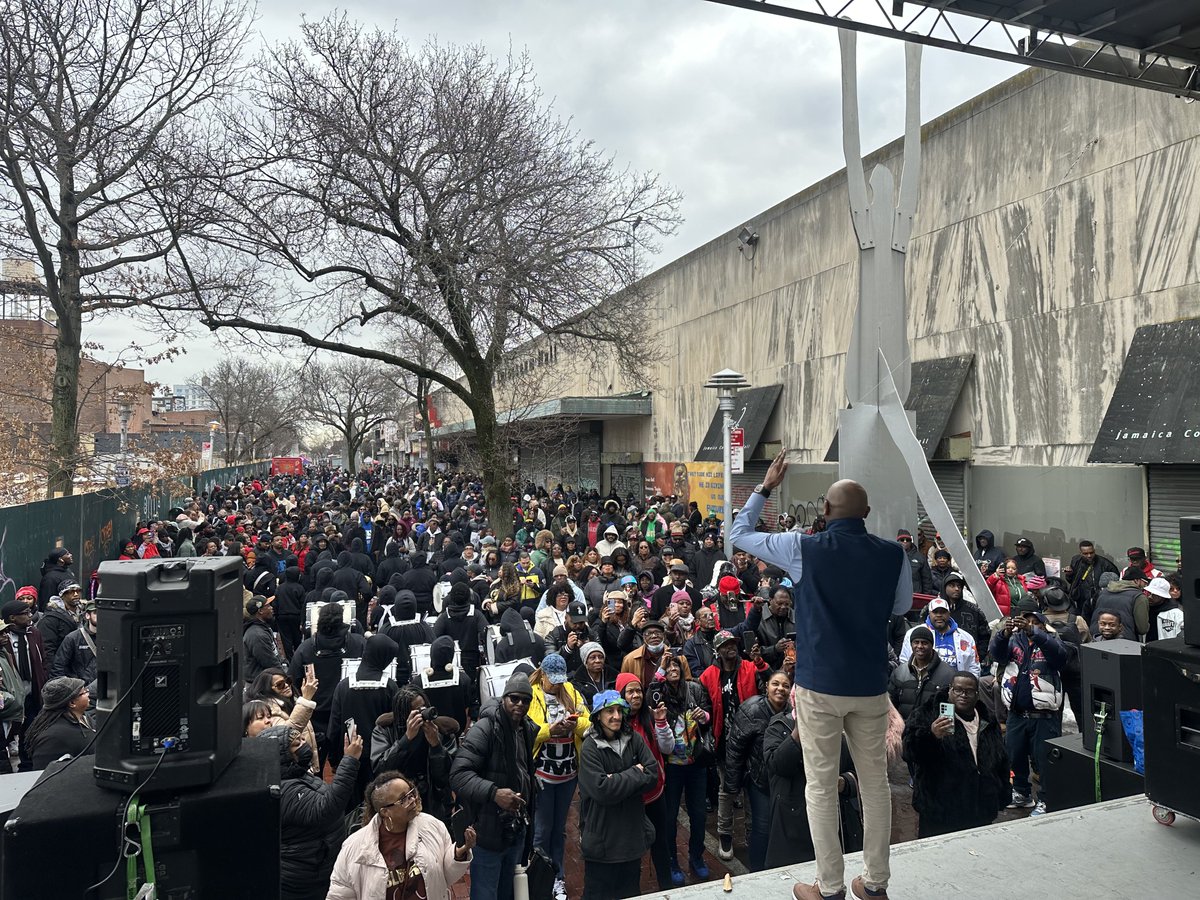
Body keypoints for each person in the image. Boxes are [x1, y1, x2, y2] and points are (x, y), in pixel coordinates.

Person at [729, 457, 911, 900]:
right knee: (874, 785)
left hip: (818, 686)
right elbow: (901, 607)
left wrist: (766, 488)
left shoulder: (801, 547)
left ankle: (829, 888)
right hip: (869, 686)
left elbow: (737, 535)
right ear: (866, 515)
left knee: (821, 785)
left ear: (824, 512)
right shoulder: (894, 554)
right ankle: (875, 883)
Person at [449, 673, 539, 900]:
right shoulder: (485, 728)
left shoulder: (526, 728)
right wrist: (494, 793)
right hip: (488, 829)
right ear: (504, 698)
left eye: (525, 700)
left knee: (508, 891)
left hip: (515, 828)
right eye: (514, 699)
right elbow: (458, 775)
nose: (520, 705)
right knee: (485, 893)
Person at [327, 769, 475, 900]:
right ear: (385, 811)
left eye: (412, 793)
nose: (413, 801)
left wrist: (459, 853)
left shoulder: (433, 826)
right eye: (403, 799)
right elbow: (340, 893)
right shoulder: (355, 847)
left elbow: (444, 877)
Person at [902, 671, 1009, 837]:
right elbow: (909, 752)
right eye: (958, 690)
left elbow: (1001, 760)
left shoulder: (988, 719)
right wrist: (931, 736)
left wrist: (1001, 795)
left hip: (980, 811)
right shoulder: (927, 714)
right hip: (940, 813)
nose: (963, 695)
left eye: (969, 691)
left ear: (977, 694)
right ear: (950, 690)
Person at [263, 723, 363, 900]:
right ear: (282, 756)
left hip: (319, 866)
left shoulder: (297, 773)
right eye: (296, 744)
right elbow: (327, 809)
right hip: (305, 878)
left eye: (302, 739)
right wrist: (349, 761)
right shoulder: (285, 790)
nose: (304, 744)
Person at [577, 690, 659, 900]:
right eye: (609, 711)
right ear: (597, 716)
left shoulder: (635, 739)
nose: (616, 716)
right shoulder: (590, 748)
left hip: (631, 841)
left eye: (619, 711)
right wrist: (634, 773)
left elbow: (652, 773)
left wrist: (617, 779)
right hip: (602, 845)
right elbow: (602, 790)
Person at [990, 600, 1067, 815]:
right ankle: (1022, 794)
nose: (1028, 625)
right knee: (1014, 755)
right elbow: (996, 654)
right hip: (1017, 713)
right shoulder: (1014, 641)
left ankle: (1047, 799)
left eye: (1035, 622)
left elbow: (1061, 657)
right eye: (1025, 621)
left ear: (1043, 625)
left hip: (1044, 715)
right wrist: (1002, 634)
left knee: (1045, 760)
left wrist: (1035, 633)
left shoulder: (1051, 640)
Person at [699, 629, 766, 861]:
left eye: (733, 644)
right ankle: (725, 834)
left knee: (751, 789)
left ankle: (751, 833)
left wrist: (761, 663)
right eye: (726, 645)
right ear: (718, 650)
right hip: (724, 743)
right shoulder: (708, 675)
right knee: (727, 791)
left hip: (752, 740)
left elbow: (766, 688)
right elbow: (704, 704)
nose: (731, 647)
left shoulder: (749, 667)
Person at [528, 653, 590, 900]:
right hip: (542, 772)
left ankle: (557, 878)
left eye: (559, 680)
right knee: (542, 830)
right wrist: (549, 730)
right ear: (542, 674)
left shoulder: (571, 692)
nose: (556, 684)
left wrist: (575, 725)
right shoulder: (531, 695)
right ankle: (537, 881)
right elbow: (526, 731)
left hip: (567, 773)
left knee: (559, 830)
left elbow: (589, 721)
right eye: (552, 679)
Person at [725, 669, 793, 870]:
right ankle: (757, 870)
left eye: (785, 685)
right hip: (759, 780)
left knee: (782, 827)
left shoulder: (793, 711)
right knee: (761, 829)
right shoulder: (751, 710)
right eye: (776, 684)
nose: (780, 689)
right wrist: (732, 785)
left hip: (784, 780)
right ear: (767, 687)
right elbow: (735, 749)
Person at [658, 651, 713, 885]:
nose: (673, 671)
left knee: (699, 815)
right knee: (670, 817)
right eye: (668, 668)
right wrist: (660, 669)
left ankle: (696, 856)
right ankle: (672, 859)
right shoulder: (660, 693)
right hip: (672, 766)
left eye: (676, 668)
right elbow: (650, 694)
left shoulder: (695, 689)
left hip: (696, 763)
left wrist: (704, 717)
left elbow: (708, 716)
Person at [616, 672, 675, 890]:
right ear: (621, 695)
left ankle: (667, 888)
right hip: (631, 798)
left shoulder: (649, 717)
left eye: (638, 690)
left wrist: (661, 722)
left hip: (655, 794)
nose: (636, 695)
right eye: (630, 691)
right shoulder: (615, 723)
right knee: (632, 849)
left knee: (661, 844)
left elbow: (668, 748)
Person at [328, 633, 402, 800]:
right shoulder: (390, 687)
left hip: (350, 756)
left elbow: (334, 727)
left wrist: (334, 760)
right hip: (380, 760)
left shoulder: (343, 686)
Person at [370, 686, 457, 823]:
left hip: (435, 804)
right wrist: (405, 740)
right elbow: (380, 770)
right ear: (403, 714)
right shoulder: (385, 730)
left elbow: (447, 777)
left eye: (423, 708)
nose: (421, 714)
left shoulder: (442, 730)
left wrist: (436, 746)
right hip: (400, 806)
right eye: (415, 711)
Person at [1, 599, 49, 770]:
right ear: (12, 618)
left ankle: (26, 765)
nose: (30, 616)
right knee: (9, 731)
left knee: (30, 730)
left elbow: (43, 659)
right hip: (11, 695)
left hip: (31, 690)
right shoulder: (4, 637)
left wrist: (43, 678)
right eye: (25, 613)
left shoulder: (34, 633)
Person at [24, 676, 95, 770]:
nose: (88, 693)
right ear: (72, 703)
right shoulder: (52, 737)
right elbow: (44, 773)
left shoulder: (85, 717)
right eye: (84, 692)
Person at [899, 597, 980, 677]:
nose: (939, 615)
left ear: (949, 613)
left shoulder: (966, 638)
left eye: (943, 612)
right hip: (925, 685)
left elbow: (974, 667)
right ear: (929, 613)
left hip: (957, 686)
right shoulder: (913, 633)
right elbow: (904, 662)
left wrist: (968, 686)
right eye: (935, 612)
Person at [888, 626, 955, 721]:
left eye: (924, 643)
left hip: (932, 732)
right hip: (904, 731)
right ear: (911, 644)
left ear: (931, 645)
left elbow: (949, 711)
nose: (919, 646)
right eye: (916, 642)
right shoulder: (899, 673)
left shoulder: (948, 674)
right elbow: (890, 706)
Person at [1063, 540, 1120, 620]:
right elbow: (1073, 581)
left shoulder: (1106, 564)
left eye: (1091, 552)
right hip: (1081, 600)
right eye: (1085, 554)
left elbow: (1116, 582)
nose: (1089, 555)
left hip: (1098, 600)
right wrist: (1069, 575)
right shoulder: (1076, 561)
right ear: (1080, 553)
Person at [36, 581, 82, 663]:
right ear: (62, 595)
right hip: (63, 666)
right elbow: (47, 649)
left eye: (78, 591)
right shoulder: (50, 618)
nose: (76, 594)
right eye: (71, 591)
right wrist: (55, 671)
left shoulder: (86, 613)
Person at [243, 595, 282, 684]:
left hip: (265, 681)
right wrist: (285, 677)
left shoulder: (264, 628)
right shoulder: (257, 635)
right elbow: (269, 662)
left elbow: (276, 654)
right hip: (260, 685)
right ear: (260, 611)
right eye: (268, 606)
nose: (271, 608)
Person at [896, 529, 933, 595]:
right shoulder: (891, 556)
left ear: (911, 542)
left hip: (915, 595)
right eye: (902, 540)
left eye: (908, 540)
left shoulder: (920, 557)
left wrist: (926, 597)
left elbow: (927, 580)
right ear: (898, 541)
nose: (905, 542)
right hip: (896, 595)